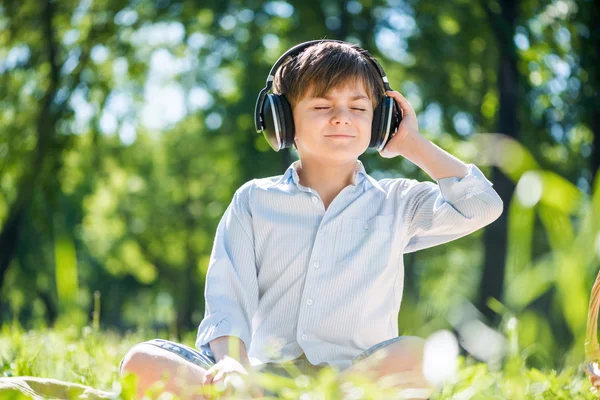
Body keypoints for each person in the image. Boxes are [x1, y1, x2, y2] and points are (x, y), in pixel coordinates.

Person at [119, 39, 503, 399]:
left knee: (418, 356)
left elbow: (484, 205)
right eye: (321, 107)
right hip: (260, 381)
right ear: (282, 120)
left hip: (350, 384)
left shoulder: (398, 202)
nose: (342, 118)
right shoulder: (254, 200)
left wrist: (411, 144)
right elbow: (227, 299)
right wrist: (233, 364)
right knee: (141, 362)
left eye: (359, 108)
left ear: (380, 121)